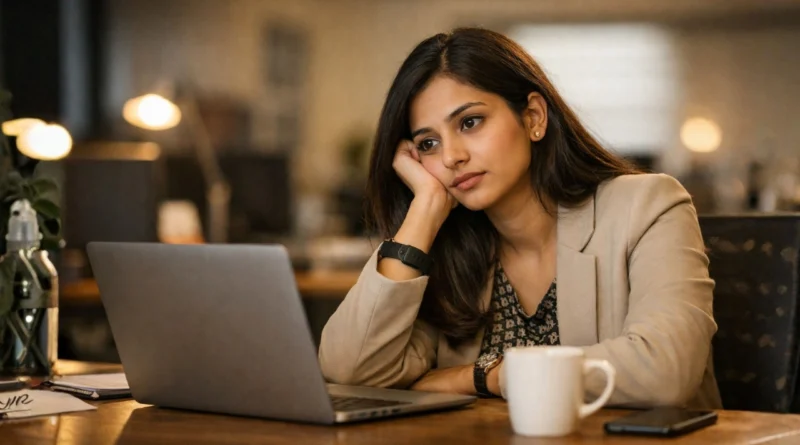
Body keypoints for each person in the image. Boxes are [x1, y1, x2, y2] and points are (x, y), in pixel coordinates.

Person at [318, 27, 721, 408]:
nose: (451, 156)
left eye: (470, 122)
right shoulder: (450, 250)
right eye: (428, 143)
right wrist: (423, 211)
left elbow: (666, 371)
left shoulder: (648, 205)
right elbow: (350, 371)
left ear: (533, 117)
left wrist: (486, 376)